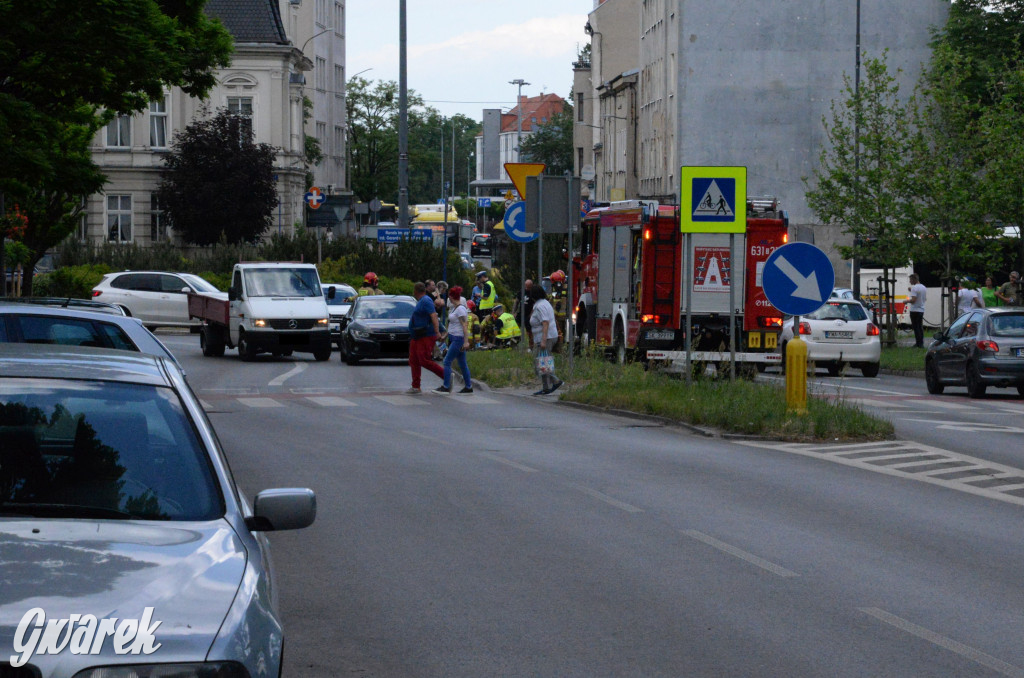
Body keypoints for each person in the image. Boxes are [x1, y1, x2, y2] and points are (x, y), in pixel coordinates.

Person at [406, 282, 444, 394]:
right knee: (414, 360)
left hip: (425, 334)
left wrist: (437, 331)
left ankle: (446, 376)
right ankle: (415, 386)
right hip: (417, 335)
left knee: (424, 360)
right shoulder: (422, 301)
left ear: (415, 291)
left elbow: (434, 316)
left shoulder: (426, 300)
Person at [434, 286, 473, 394]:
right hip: (454, 337)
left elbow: (464, 326)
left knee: (446, 361)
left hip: (458, 339)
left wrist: (466, 341)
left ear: (451, 297)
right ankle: (468, 386)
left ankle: (446, 386)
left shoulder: (460, 309)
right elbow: (452, 325)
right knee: (462, 363)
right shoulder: (455, 308)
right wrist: (445, 336)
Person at [529, 284, 563, 395]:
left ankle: (555, 381)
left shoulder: (540, 306)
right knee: (542, 362)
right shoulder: (544, 303)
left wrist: (543, 340)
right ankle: (546, 387)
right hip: (546, 337)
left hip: (545, 338)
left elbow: (545, 322)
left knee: (541, 363)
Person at [907, 273, 927, 348]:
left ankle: (918, 344)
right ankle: (921, 343)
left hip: (914, 310)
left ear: (914, 279)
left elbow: (913, 300)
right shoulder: (923, 287)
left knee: (916, 327)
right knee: (920, 327)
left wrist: (906, 301)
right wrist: (911, 290)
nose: (910, 281)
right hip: (921, 310)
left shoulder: (915, 288)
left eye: (910, 280)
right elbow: (923, 298)